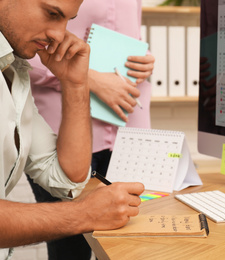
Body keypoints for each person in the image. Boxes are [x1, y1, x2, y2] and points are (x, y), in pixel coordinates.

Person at [0, 0, 145, 259]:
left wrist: (76, 82)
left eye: (67, 19)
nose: (59, 33)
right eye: (52, 13)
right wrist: (83, 213)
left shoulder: (13, 69)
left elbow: (67, 178)